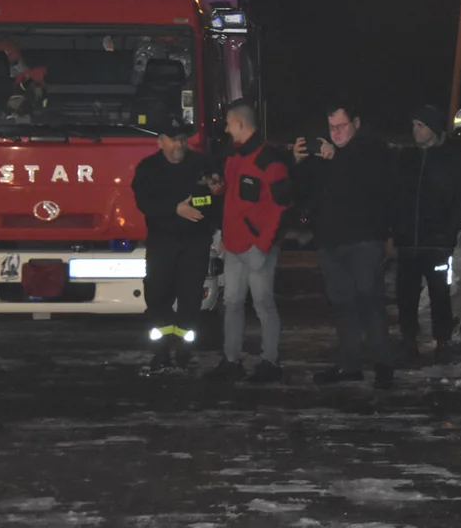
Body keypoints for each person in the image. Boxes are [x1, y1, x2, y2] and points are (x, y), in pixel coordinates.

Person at [292, 100, 395, 389]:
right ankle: (349, 364)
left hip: (362, 240)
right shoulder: (326, 155)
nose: (336, 132)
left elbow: (367, 187)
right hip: (330, 243)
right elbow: (302, 194)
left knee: (370, 301)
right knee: (343, 304)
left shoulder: (371, 150)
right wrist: (299, 164)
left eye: (341, 126)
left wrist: (335, 159)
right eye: (331, 127)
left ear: (356, 123)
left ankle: (382, 364)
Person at [206, 100, 291, 383]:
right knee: (233, 303)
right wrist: (218, 191)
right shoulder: (233, 156)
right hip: (235, 245)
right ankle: (232, 360)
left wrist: (264, 244)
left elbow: (282, 206)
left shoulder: (270, 159)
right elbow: (234, 197)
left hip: (256, 248)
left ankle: (270, 361)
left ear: (241, 124)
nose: (226, 129)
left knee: (263, 305)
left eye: (229, 123)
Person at [131, 114, 221, 375]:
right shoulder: (148, 168)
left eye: (182, 140)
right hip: (162, 245)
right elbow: (143, 203)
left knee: (190, 300)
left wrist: (211, 197)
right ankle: (161, 351)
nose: (179, 146)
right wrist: (175, 210)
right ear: (160, 142)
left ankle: (183, 350)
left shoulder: (202, 164)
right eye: (173, 141)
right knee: (157, 296)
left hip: (195, 245)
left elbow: (214, 199)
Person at [392, 104, 461, 364]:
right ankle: (409, 341)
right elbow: (395, 196)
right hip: (408, 242)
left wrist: (448, 229)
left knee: (440, 293)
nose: (415, 131)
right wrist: (395, 230)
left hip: (437, 243)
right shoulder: (407, 159)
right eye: (414, 125)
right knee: (405, 294)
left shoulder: (451, 159)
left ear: (433, 129)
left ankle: (443, 342)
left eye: (421, 126)